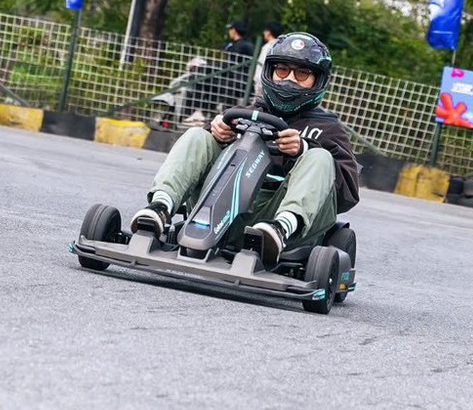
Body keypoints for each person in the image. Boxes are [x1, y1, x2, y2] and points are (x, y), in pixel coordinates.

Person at [131, 32, 361, 267]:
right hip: (220, 207)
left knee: (320, 157)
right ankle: (160, 207)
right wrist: (217, 133)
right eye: (282, 70)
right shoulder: (244, 114)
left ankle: (280, 229)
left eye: (302, 73)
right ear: (270, 72)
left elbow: (348, 196)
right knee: (197, 135)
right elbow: (201, 154)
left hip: (277, 215)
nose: (289, 80)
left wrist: (303, 150)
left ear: (318, 81)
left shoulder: (329, 130)